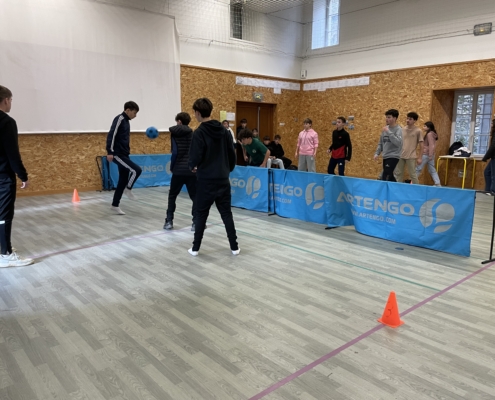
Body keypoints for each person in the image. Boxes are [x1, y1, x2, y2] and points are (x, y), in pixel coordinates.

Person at [187, 98, 239, 256]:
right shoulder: (225, 131)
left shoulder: (199, 133)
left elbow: (195, 155)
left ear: (197, 113)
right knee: (226, 213)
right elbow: (232, 154)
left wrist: (192, 166)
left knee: (201, 214)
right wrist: (227, 170)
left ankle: (195, 248)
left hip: (205, 181)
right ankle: (234, 247)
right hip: (223, 179)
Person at [0, 85, 33, 267]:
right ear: (6, 100)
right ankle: (5, 255)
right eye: (11, 100)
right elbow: (12, 154)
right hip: (3, 177)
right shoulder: (7, 122)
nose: (11, 103)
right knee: (4, 215)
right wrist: (23, 176)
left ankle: (3, 248)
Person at [106, 101, 142, 215]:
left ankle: (115, 205)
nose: (135, 116)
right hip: (117, 154)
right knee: (137, 170)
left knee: (123, 180)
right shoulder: (120, 119)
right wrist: (110, 151)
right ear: (127, 110)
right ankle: (128, 189)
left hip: (124, 154)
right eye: (134, 113)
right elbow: (112, 135)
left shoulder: (127, 122)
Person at [164, 112, 197, 231]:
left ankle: (169, 221)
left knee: (172, 196)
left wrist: (172, 166)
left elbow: (175, 152)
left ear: (179, 121)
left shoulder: (174, 133)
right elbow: (195, 152)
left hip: (178, 170)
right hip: (190, 170)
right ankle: (196, 223)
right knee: (195, 197)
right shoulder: (193, 134)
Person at [374, 109, 403, 181]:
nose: (387, 119)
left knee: (386, 175)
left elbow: (398, 143)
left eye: (389, 117)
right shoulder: (385, 129)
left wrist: (389, 132)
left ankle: (385, 187)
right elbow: (381, 142)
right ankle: (395, 186)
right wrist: (377, 153)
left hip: (394, 156)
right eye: (386, 117)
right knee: (389, 176)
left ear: (395, 118)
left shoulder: (398, 129)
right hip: (385, 155)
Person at [395, 112, 423, 183]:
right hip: (400, 155)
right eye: (407, 118)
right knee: (398, 173)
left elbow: (421, 145)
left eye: (410, 119)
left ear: (415, 120)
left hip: (411, 156)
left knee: (412, 174)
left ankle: (417, 188)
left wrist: (420, 157)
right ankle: (398, 187)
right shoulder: (402, 129)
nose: (407, 120)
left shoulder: (418, 131)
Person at [416, 121, 442, 187]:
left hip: (426, 154)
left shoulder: (429, 134)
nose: (423, 127)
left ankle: (413, 182)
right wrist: (431, 155)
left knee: (418, 168)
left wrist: (430, 155)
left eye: (425, 126)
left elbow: (431, 145)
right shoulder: (432, 134)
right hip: (430, 154)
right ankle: (437, 183)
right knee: (432, 170)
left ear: (429, 127)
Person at [482, 119, 495, 194]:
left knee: (493, 175)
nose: (491, 125)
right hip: (493, 157)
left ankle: (493, 191)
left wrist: (486, 157)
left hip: (494, 157)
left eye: (492, 123)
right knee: (487, 172)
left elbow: (493, 146)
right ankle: (488, 190)